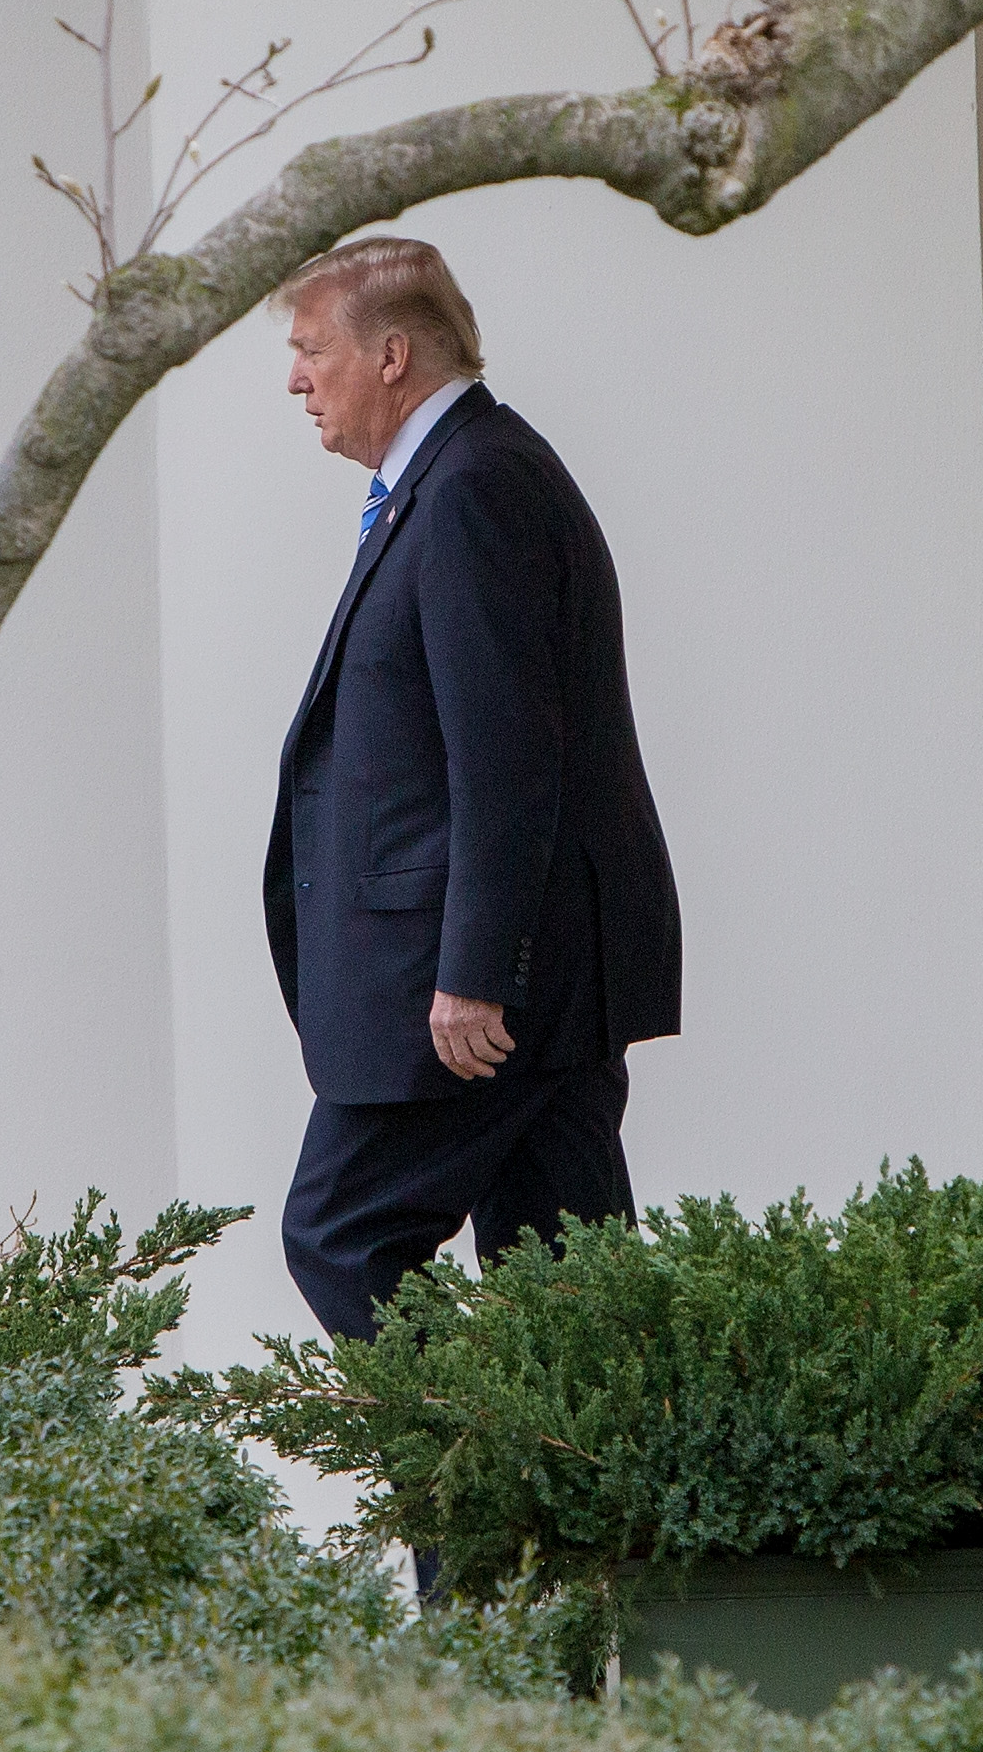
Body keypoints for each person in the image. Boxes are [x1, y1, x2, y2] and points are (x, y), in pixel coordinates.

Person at [261, 236, 683, 1342]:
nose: (295, 379)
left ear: (391, 355)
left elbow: (505, 757)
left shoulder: (471, 490)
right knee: (565, 1280)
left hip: (490, 997)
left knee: (339, 1230)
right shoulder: (461, 478)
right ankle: (559, 1505)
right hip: (541, 982)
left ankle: (478, 1490)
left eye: (312, 351)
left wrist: (476, 975)